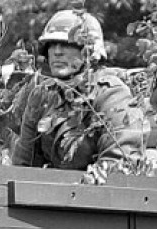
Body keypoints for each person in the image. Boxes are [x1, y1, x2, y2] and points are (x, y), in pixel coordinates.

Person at [11, 9, 145, 171]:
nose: (57, 52)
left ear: (89, 51)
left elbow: (119, 166)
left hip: (98, 191)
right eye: (52, 45)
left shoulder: (112, 95)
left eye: (67, 44)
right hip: (56, 192)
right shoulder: (42, 97)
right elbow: (24, 166)